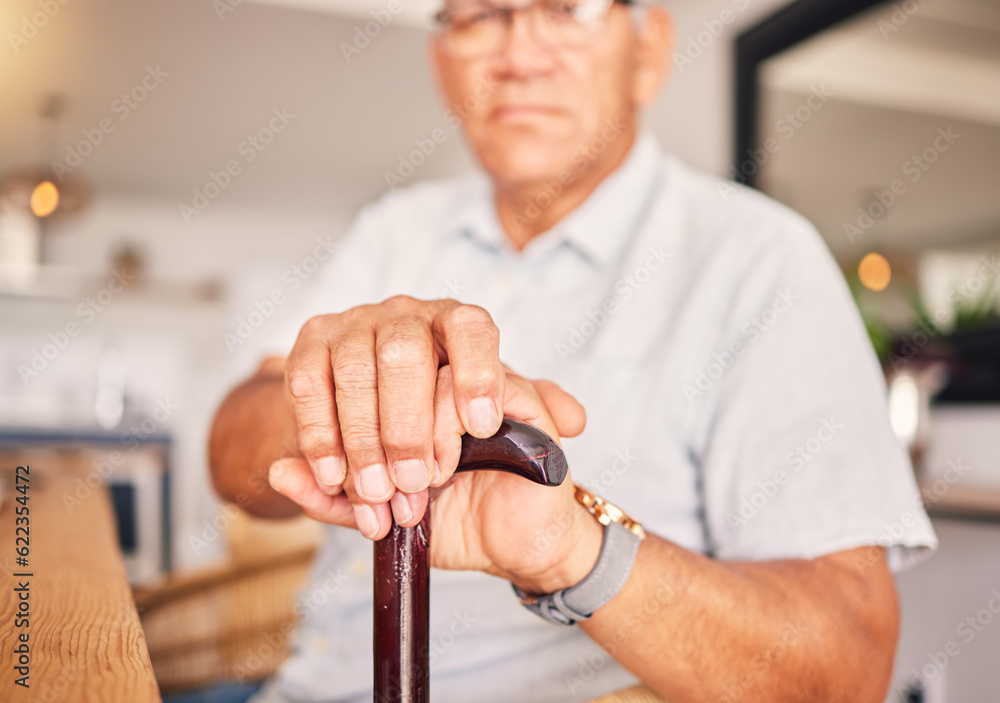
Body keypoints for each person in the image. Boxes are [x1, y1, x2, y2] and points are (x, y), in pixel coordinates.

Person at [208, 0, 937, 701]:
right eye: (482, 14)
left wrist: (575, 549)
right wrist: (336, 406)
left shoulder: (760, 261)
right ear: (441, 61)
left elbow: (850, 666)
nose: (519, 55)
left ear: (647, 50)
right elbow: (233, 460)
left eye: (565, 8)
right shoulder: (392, 229)